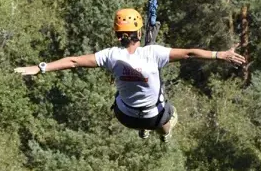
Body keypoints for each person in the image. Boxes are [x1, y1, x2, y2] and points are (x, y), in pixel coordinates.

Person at [14, 8, 246, 142]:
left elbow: (73, 61)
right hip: (153, 118)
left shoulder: (110, 56)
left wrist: (39, 67)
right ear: (139, 31)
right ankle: (164, 133)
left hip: (125, 118)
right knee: (169, 113)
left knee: (123, 96)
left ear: (117, 35)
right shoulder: (154, 53)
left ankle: (143, 128)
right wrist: (220, 55)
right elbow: (189, 53)